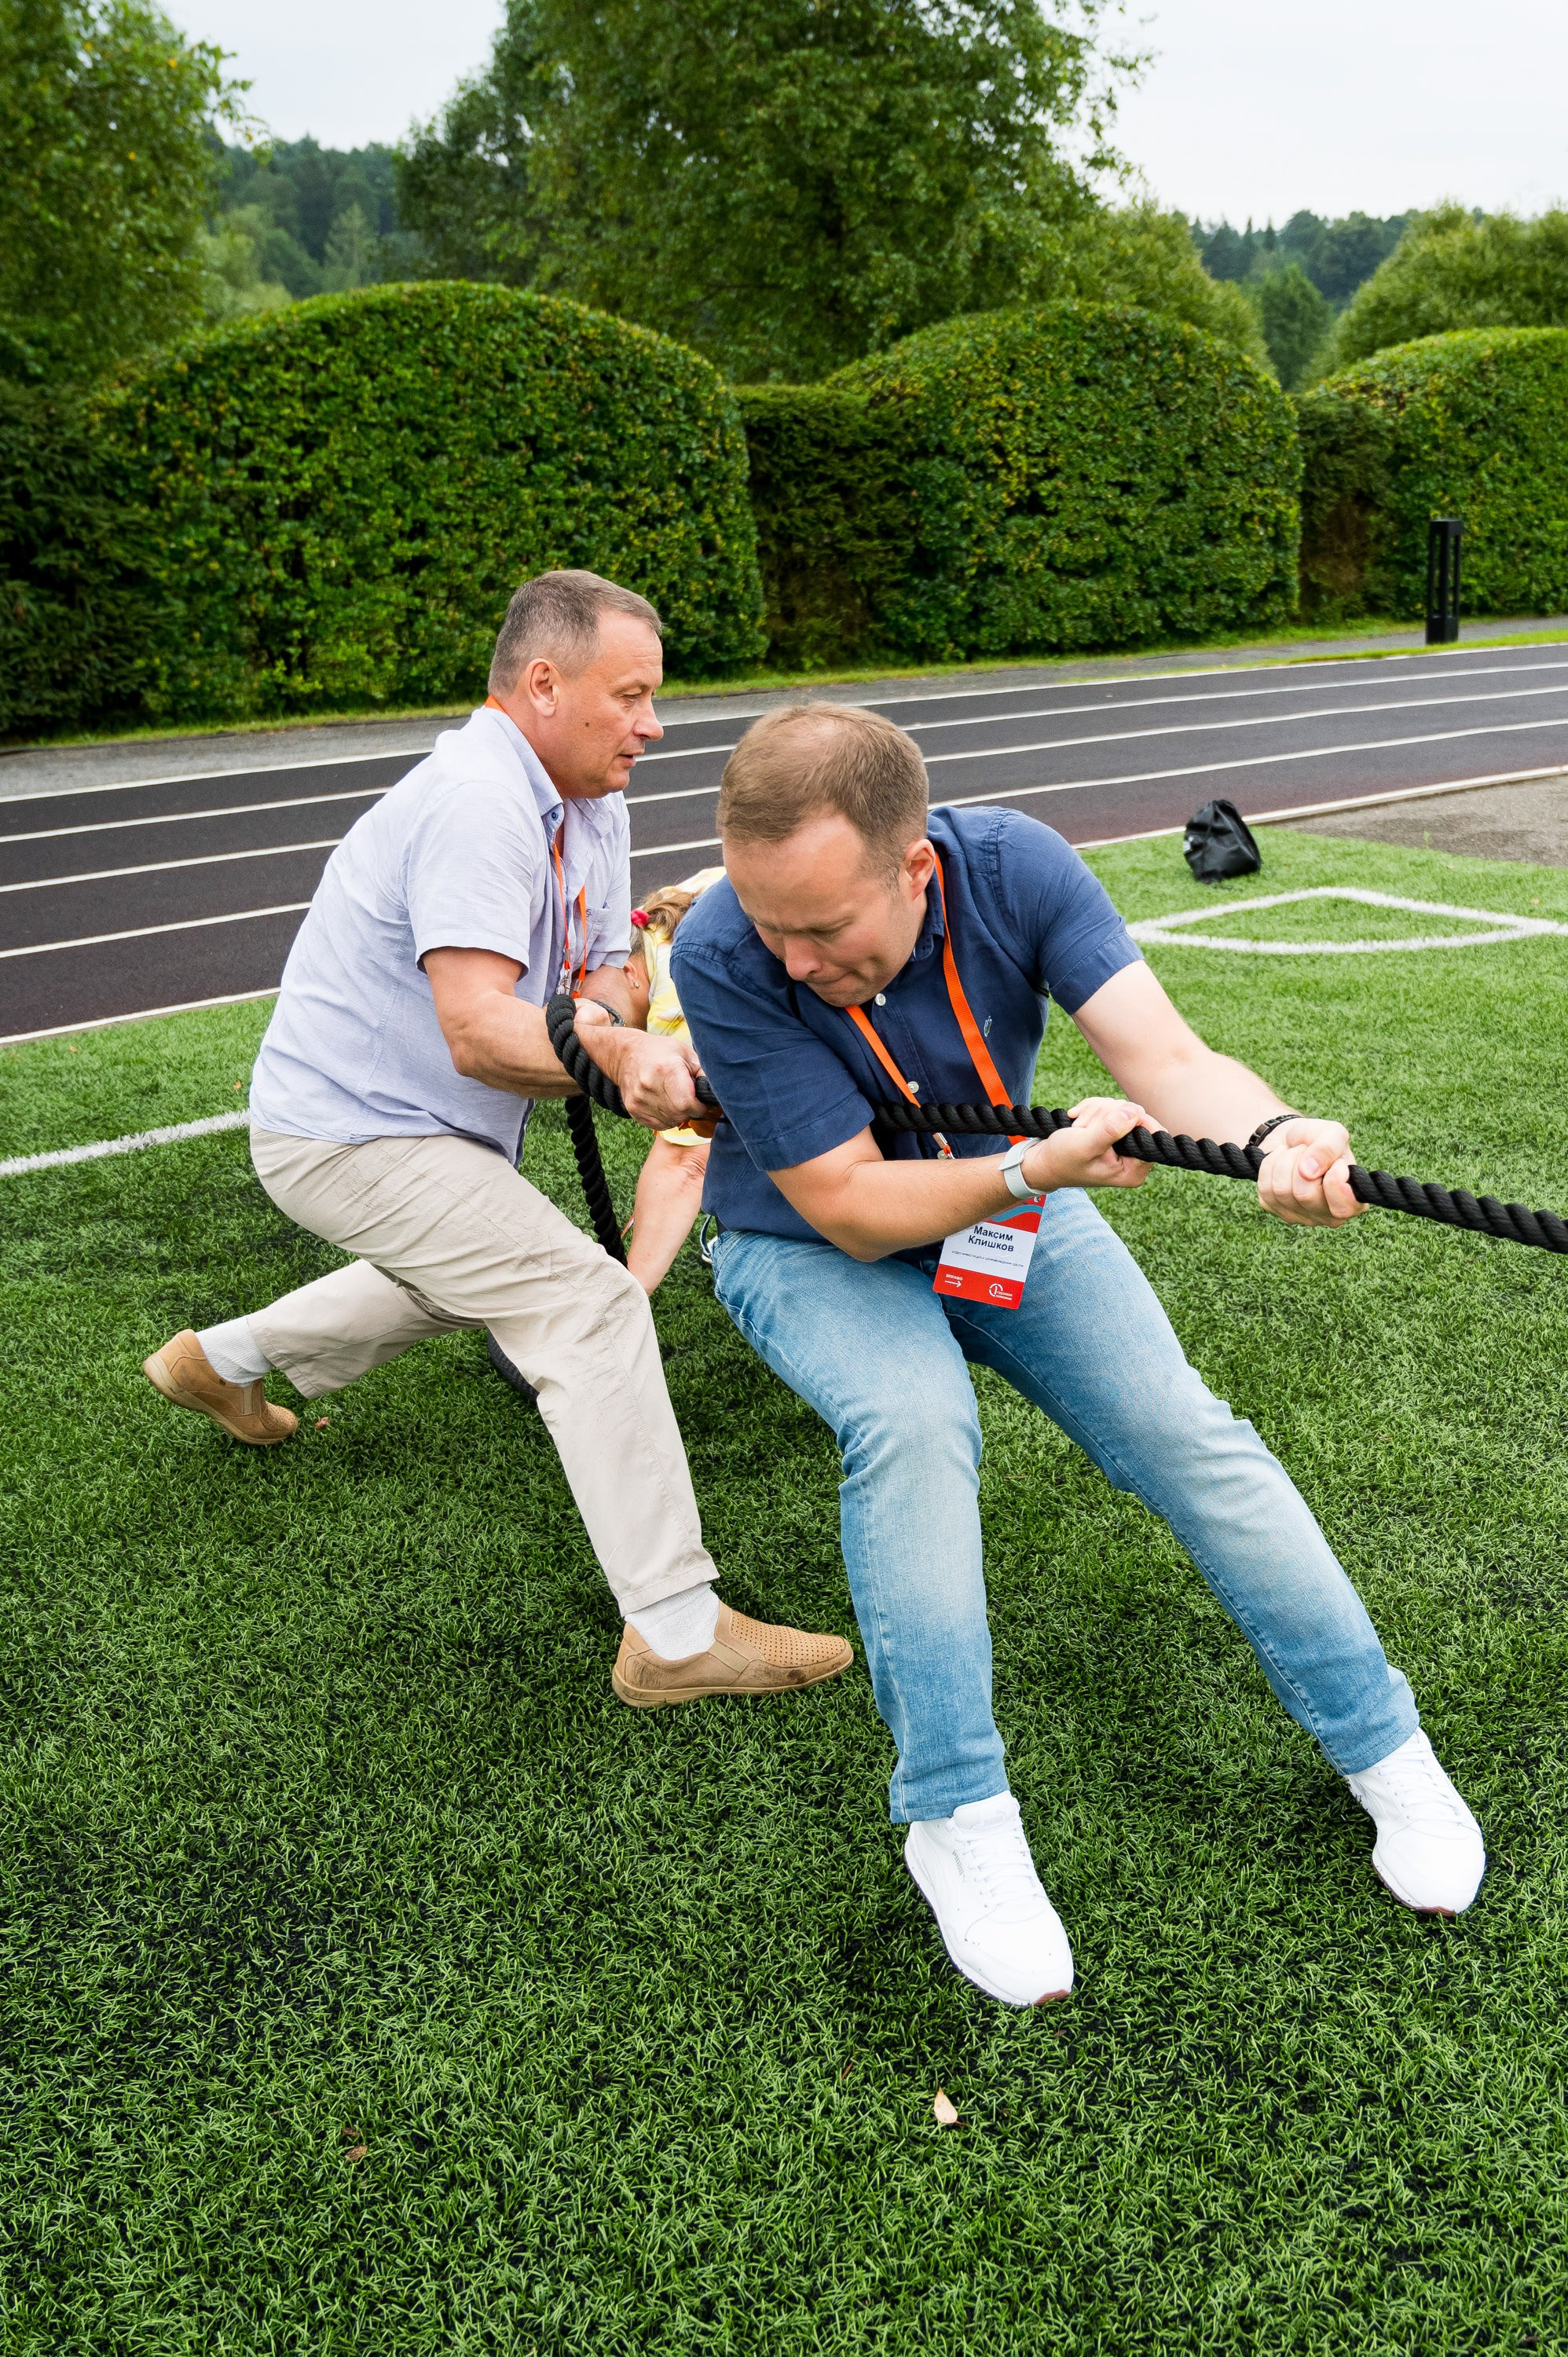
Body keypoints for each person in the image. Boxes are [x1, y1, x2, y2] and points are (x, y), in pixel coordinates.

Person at [671, 702, 1486, 2008]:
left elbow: (1161, 1058)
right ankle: (959, 1819)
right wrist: (1026, 1170)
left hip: (1009, 1206)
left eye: (825, 928)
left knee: (1184, 1430)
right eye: (772, 922)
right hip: (812, 1244)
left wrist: (1279, 1131)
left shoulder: (1018, 867)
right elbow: (842, 1203)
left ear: (915, 868)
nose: (794, 954)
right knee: (916, 1426)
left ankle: (1387, 1751)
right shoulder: (725, 947)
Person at [141, 573, 851, 1711]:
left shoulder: (590, 798)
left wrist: (609, 1018)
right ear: (541, 683)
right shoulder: (477, 801)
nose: (652, 725)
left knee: (468, 1279)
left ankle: (216, 1362)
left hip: (423, 1133)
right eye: (629, 696)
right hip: (349, 1134)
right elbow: (479, 1030)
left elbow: (603, 972)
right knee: (585, 1303)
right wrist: (619, 1060)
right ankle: (673, 1632)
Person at [617, 869, 724, 1292]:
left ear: (628, 973)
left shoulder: (672, 1003)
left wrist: (625, 1301)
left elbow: (686, 1164)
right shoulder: (662, 909)